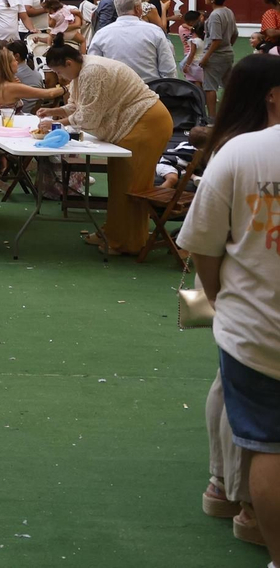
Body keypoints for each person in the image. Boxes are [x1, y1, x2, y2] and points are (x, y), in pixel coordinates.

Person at [176, 54, 280, 564]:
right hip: (246, 302)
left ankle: (229, 491)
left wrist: (219, 298)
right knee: (260, 433)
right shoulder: (240, 146)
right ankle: (240, 501)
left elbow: (202, 243)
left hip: (248, 311)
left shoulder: (235, 146)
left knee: (250, 418)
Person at [37, 43, 173, 256]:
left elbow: (88, 117)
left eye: (59, 72)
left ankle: (128, 243)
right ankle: (112, 233)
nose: (59, 77)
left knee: (132, 186)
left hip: (146, 123)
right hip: (133, 124)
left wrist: (57, 123)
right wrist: (53, 112)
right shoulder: (81, 72)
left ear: (69, 63)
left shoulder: (93, 71)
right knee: (119, 183)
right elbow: (77, 106)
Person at [86, 0, 177, 82]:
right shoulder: (154, 31)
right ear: (138, 9)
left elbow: (93, 69)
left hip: (116, 88)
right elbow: (168, 69)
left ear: (117, 9)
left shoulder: (101, 34)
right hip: (149, 88)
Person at [197, 0, 239, 116]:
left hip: (215, 56)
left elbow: (216, 39)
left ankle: (212, 118)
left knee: (210, 87)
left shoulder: (215, 15)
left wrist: (206, 57)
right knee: (228, 86)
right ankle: (233, 113)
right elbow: (235, 33)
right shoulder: (228, 11)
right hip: (227, 54)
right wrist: (228, 46)